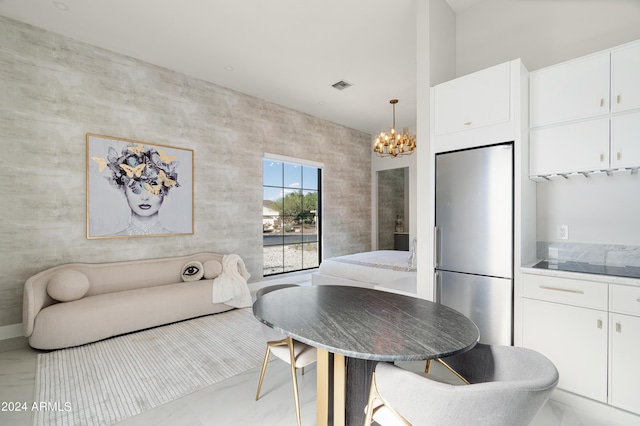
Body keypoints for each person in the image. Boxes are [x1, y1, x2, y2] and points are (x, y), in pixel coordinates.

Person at [92, 142, 180, 236]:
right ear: (123, 189)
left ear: (166, 189)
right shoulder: (108, 240)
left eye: (153, 185)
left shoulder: (180, 239)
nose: (145, 197)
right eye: (135, 186)